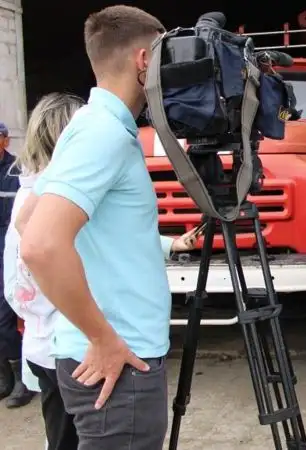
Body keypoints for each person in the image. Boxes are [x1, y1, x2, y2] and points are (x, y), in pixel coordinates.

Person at [5, 92, 200, 450]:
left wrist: (170, 244)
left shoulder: (54, 186)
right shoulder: (90, 149)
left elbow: (110, 239)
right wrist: (98, 334)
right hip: (77, 345)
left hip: (65, 342)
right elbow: (33, 254)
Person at [16, 6, 173, 449]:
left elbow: (29, 217)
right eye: (166, 57)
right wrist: (102, 337)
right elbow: (39, 244)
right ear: (144, 61)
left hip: (106, 355)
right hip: (118, 362)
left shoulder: (88, 124)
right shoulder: (102, 132)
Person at [0, 120, 35, 409]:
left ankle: (24, 379)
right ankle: (6, 378)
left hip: (10, 252)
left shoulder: (17, 171)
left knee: (7, 319)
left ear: (5, 139)